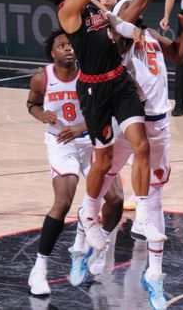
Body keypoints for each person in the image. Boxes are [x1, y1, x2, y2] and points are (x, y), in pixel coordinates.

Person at [35, 0, 166, 254]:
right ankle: (89, 213)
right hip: (93, 89)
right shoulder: (69, 9)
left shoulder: (89, 4)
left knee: (142, 146)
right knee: (104, 160)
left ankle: (143, 215)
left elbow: (112, 22)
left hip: (119, 80)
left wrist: (130, 29)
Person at [96, 1, 183, 309]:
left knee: (155, 200)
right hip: (129, 122)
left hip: (159, 126)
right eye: (125, 10)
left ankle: (154, 275)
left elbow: (179, 54)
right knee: (101, 179)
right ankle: (88, 243)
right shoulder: (119, 41)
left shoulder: (150, 34)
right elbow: (119, 23)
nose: (132, 12)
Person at [25, 30, 124, 295]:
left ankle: (99, 243)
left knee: (115, 199)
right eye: (62, 45)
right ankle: (39, 269)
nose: (68, 49)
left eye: (71, 45)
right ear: (52, 53)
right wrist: (40, 114)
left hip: (92, 140)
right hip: (61, 143)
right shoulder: (41, 78)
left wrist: (81, 125)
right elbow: (31, 104)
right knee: (63, 202)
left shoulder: (90, 73)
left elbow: (107, 108)